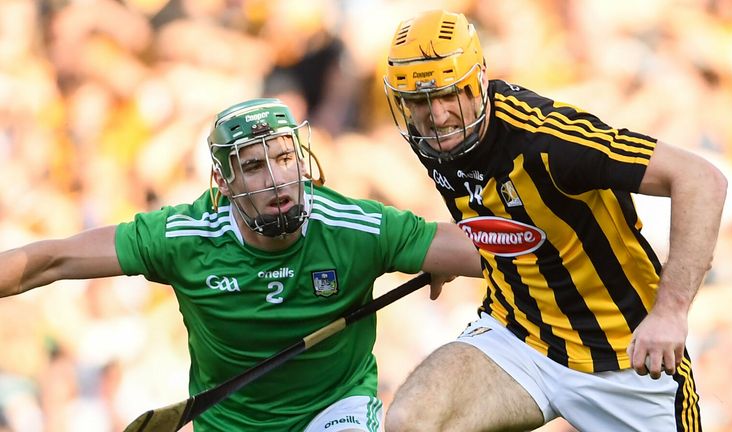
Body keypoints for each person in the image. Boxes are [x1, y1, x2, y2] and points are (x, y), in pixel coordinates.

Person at [0, 98, 482, 431]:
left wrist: (449, 256)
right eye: (253, 166)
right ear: (224, 182)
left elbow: (488, 252)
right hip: (231, 424)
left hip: (337, 408)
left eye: (284, 158)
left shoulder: (355, 227)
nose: (277, 179)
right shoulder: (184, 239)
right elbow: (49, 261)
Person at [382, 9, 727, 432]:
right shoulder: (433, 140)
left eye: (448, 95)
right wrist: (463, 255)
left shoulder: (549, 139)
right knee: (411, 420)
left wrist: (671, 312)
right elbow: (517, 228)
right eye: (419, 102)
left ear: (479, 81)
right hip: (518, 337)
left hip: (625, 356)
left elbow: (701, 180)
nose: (436, 117)